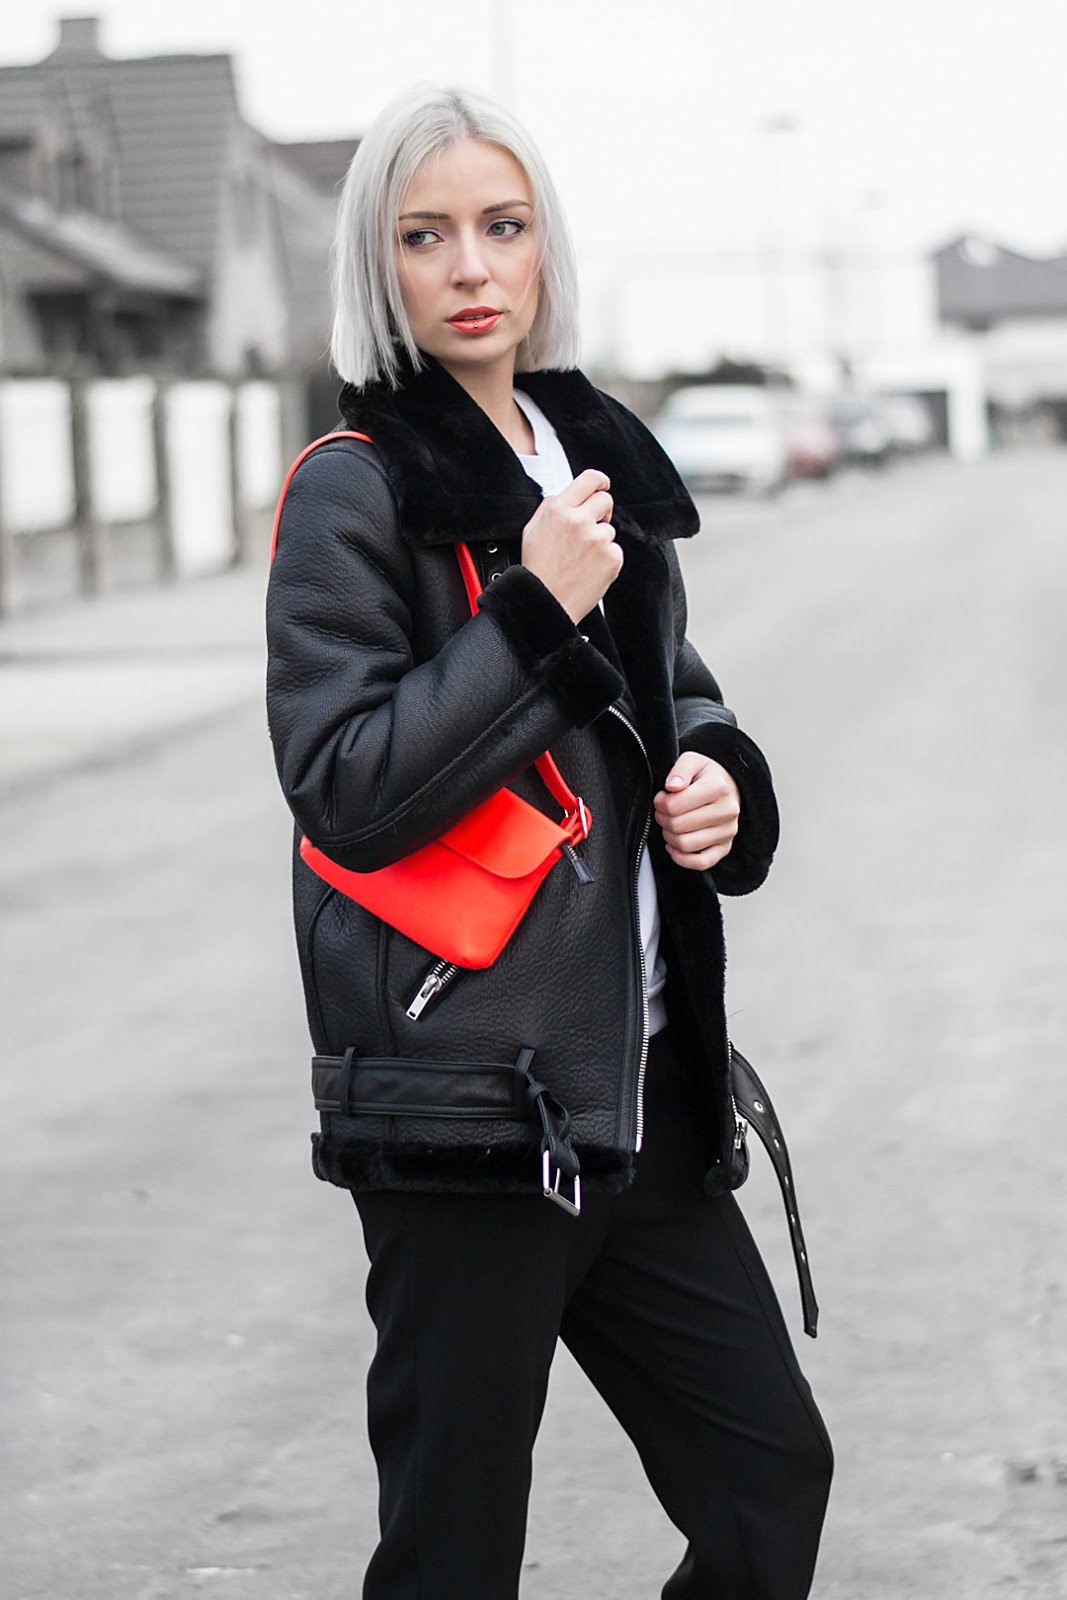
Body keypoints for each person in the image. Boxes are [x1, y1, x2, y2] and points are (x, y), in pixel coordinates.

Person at [265, 83, 832, 1600]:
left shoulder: (589, 457)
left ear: (542, 253)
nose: (469, 267)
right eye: (426, 234)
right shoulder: (358, 491)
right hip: (470, 1112)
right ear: (377, 268)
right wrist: (528, 609)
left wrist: (717, 775)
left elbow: (678, 693)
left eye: (501, 229)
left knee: (769, 1483)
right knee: (454, 1552)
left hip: (639, 1096)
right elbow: (346, 786)